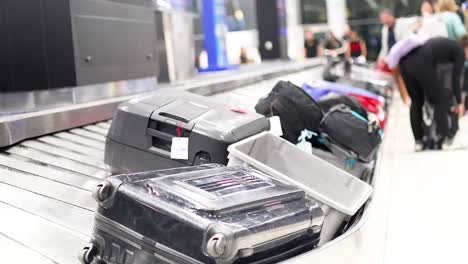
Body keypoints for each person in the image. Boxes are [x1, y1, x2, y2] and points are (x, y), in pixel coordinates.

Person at [386, 35, 466, 149]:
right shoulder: (459, 51)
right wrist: (459, 102)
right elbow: (456, 79)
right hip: (422, 61)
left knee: (416, 102)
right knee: (440, 100)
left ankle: (419, 141)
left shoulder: (446, 43)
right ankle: (442, 139)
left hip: (404, 63)